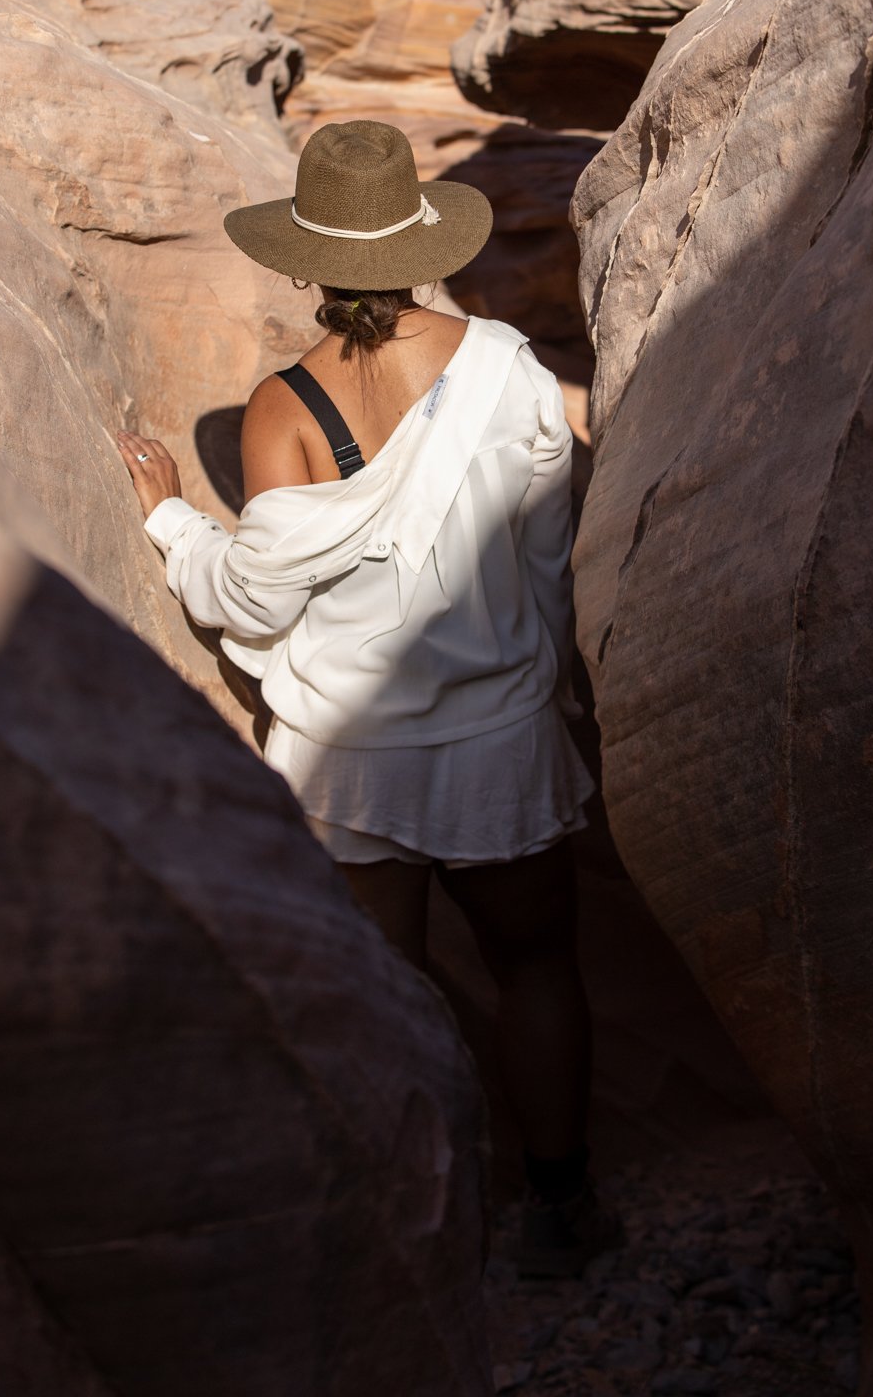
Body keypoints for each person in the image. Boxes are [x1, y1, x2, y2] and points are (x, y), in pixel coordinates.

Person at [116, 118, 619, 1276]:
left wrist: (166, 515)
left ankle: (413, 1234)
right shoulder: (509, 368)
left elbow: (252, 600)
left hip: (348, 757)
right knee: (538, 966)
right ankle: (563, 1205)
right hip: (500, 734)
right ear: (420, 241)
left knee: (381, 1000)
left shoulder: (283, 405)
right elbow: (549, 561)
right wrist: (557, 701)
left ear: (306, 260)